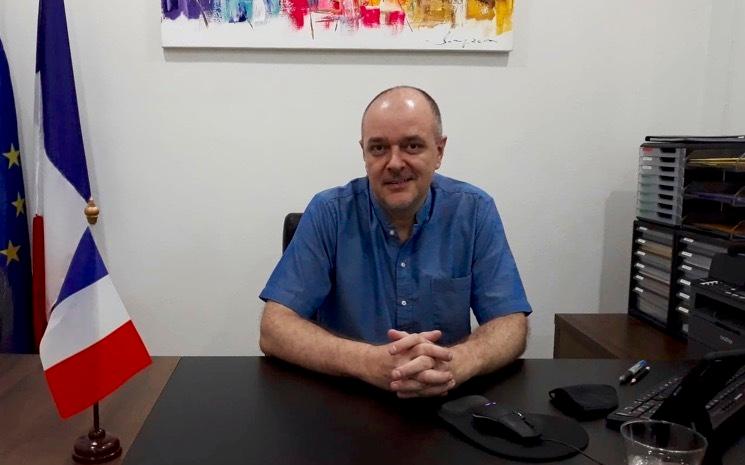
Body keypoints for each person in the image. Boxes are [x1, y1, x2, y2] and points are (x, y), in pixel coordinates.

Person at [259, 86, 531, 398]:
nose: (395, 163)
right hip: (345, 397)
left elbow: (510, 323)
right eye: (378, 148)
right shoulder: (329, 212)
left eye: (412, 146)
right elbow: (274, 329)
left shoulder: (474, 211)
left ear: (439, 151)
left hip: (447, 399)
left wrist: (458, 363)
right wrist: (367, 362)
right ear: (364, 154)